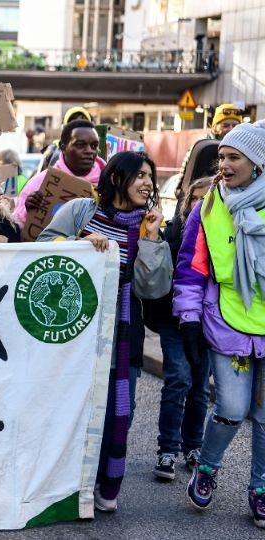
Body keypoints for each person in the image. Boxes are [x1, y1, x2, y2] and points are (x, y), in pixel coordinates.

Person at [38, 150, 172, 512]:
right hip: (75, 332)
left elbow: (152, 288)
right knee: (72, 407)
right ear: (116, 179)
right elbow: (39, 250)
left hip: (124, 333)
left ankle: (103, 482)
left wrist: (152, 237)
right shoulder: (81, 211)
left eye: (150, 176)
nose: (148, 183)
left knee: (118, 411)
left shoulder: (149, 225)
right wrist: (81, 247)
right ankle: (66, 483)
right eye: (140, 175)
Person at [175, 120, 265, 526]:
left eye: (233, 158)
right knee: (230, 407)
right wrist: (189, 319)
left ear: (258, 163)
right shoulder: (208, 206)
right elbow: (191, 269)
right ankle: (208, 467)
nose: (223, 165)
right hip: (227, 323)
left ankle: (260, 488)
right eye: (222, 157)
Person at [148, 176, 213, 481]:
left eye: (206, 199)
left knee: (200, 389)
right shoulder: (171, 234)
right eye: (194, 198)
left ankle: (193, 447)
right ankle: (168, 449)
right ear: (186, 203)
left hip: (210, 326)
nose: (199, 204)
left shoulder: (222, 234)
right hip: (174, 323)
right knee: (177, 380)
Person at [14, 119, 106, 227]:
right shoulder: (40, 182)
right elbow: (16, 226)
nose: (89, 151)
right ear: (63, 147)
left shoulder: (108, 183)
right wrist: (28, 210)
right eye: (80, 145)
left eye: (94, 146)